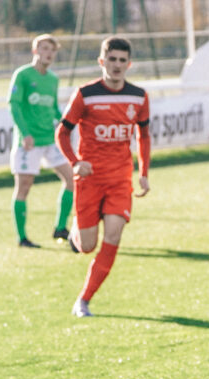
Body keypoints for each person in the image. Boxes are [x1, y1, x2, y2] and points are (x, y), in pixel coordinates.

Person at [56, 37, 151, 318]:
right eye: (112, 59)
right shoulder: (85, 94)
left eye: (123, 60)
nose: (117, 65)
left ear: (129, 64)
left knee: (113, 235)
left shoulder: (139, 96)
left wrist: (143, 172)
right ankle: (77, 230)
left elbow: (143, 135)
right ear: (102, 62)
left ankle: (83, 300)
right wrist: (75, 162)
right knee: (87, 247)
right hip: (89, 179)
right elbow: (62, 132)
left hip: (120, 178)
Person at [7, 34, 75, 248]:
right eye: (44, 48)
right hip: (29, 142)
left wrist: (66, 124)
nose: (49, 53)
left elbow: (53, 108)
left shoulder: (53, 79)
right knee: (24, 187)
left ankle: (60, 227)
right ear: (35, 51)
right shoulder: (23, 75)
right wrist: (25, 133)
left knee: (72, 180)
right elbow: (14, 106)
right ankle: (22, 238)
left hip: (50, 139)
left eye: (52, 50)